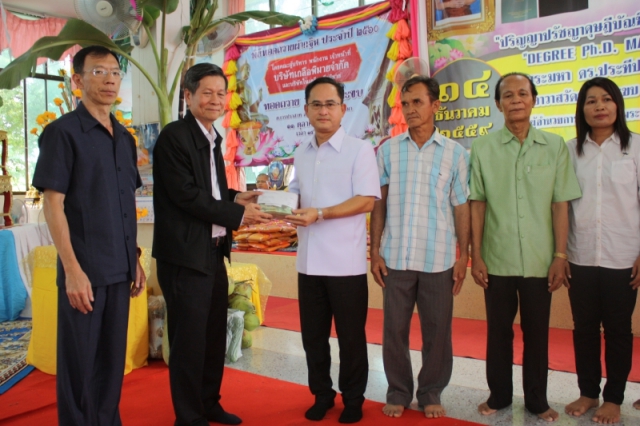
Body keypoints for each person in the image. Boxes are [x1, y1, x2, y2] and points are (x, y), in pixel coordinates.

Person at [32, 45, 146, 426]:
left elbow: (124, 204)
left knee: (112, 366)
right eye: (99, 72)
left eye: (115, 72)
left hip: (120, 270)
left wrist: (135, 259)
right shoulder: (62, 134)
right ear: (77, 81)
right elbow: (53, 205)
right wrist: (72, 270)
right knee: (81, 368)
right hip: (85, 272)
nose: (109, 80)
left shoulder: (125, 139)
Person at [152, 63, 271, 426]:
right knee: (189, 341)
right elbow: (187, 195)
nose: (216, 100)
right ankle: (188, 416)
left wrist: (236, 197)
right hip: (184, 256)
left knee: (212, 335)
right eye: (207, 92)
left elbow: (211, 191)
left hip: (212, 253)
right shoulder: (175, 136)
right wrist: (238, 215)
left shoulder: (212, 137)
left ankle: (209, 403)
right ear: (188, 95)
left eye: (221, 93)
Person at [469, 72, 581, 422]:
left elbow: (560, 204)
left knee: (537, 334)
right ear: (498, 104)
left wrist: (560, 255)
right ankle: (499, 395)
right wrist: (476, 256)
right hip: (496, 258)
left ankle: (536, 400)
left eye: (522, 93)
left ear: (533, 99)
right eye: (508, 95)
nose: (515, 100)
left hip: (540, 259)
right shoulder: (483, 148)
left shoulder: (554, 146)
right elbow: (477, 204)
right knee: (498, 333)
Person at [370, 76, 470, 419]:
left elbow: (461, 207)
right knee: (394, 331)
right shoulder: (388, 150)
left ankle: (431, 392)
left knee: (437, 332)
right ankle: (398, 390)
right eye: (405, 103)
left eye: (417, 102)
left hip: (438, 259)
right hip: (395, 257)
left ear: (435, 105)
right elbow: (379, 204)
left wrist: (464, 256)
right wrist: (374, 251)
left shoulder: (455, 154)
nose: (410, 109)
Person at [285, 77, 380, 424]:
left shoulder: (360, 150)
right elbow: (295, 194)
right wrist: (276, 205)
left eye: (330, 104)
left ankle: (353, 399)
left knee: (351, 339)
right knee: (313, 338)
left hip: (345, 265)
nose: (323, 111)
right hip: (309, 263)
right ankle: (322, 394)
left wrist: (321, 213)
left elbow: (366, 200)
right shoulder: (302, 152)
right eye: (316, 104)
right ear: (306, 109)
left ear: (342, 109)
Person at [563, 77, 640, 424]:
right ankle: (588, 392)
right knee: (584, 328)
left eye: (606, 99)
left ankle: (614, 398)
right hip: (580, 255)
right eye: (591, 101)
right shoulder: (569, 151)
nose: (599, 107)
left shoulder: (635, 147)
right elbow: (561, 206)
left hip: (623, 257)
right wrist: (560, 254)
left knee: (619, 330)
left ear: (618, 105)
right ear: (582, 109)